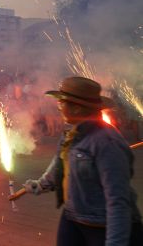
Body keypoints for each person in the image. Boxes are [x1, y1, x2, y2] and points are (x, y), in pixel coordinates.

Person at [17, 77, 143, 245]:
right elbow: (61, 163)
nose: (58, 106)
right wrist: (40, 185)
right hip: (73, 216)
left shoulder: (107, 143)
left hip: (101, 224)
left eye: (62, 102)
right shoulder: (72, 133)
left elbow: (118, 201)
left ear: (76, 108)